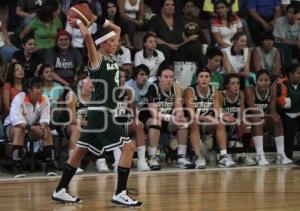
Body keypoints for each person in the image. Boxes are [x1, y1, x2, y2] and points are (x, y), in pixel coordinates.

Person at [51, 10, 143, 207]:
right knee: (128, 147)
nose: (115, 43)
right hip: (101, 112)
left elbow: (117, 28)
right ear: (102, 44)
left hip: (99, 112)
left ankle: (60, 190)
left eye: (115, 42)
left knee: (79, 151)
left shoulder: (112, 59)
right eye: (111, 42)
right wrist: (81, 22)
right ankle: (120, 193)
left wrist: (97, 19)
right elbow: (86, 37)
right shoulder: (97, 60)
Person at [139, 61, 194, 170]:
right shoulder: (153, 87)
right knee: (156, 121)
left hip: (167, 119)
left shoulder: (176, 87)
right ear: (159, 78)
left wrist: (179, 115)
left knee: (182, 122)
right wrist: (171, 117)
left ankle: (181, 157)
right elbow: (153, 113)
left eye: (171, 77)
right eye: (165, 77)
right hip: (148, 118)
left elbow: (178, 107)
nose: (169, 79)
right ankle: (152, 157)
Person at [3, 77, 57, 178]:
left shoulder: (44, 98)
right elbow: (17, 121)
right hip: (12, 127)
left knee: (47, 130)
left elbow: (46, 118)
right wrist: (32, 128)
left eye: (42, 87)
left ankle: (50, 165)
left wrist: (42, 127)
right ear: (29, 89)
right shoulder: (19, 98)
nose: (41, 90)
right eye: (37, 87)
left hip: (32, 127)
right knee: (20, 130)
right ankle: (16, 165)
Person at [184, 67, 236, 168]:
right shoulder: (189, 91)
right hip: (192, 121)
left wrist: (223, 115)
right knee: (194, 122)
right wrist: (207, 118)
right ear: (197, 79)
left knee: (220, 122)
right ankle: (198, 157)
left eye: (207, 76)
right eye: (201, 76)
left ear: (210, 79)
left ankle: (223, 156)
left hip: (206, 122)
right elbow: (192, 114)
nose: (204, 79)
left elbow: (217, 109)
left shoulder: (214, 90)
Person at [245, 69, 293, 165]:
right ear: (256, 81)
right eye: (261, 80)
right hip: (249, 121)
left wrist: (273, 116)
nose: (264, 83)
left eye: (266, 80)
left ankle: (281, 155)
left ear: (270, 81)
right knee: (256, 118)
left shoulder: (272, 90)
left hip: (263, 120)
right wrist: (268, 116)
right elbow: (253, 110)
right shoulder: (249, 89)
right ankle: (260, 155)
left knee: (277, 118)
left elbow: (272, 112)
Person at [220, 73, 256, 166]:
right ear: (227, 85)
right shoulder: (221, 95)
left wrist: (242, 122)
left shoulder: (241, 94)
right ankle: (226, 155)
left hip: (235, 123)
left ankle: (244, 154)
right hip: (223, 123)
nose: (236, 86)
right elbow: (219, 113)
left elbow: (241, 113)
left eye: (238, 83)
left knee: (247, 126)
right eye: (233, 83)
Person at [276, 63, 300, 160]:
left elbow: (289, 102)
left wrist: (292, 99)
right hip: (285, 115)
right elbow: (283, 104)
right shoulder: (281, 84)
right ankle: (287, 156)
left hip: (298, 114)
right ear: (290, 74)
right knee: (291, 126)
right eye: (298, 73)